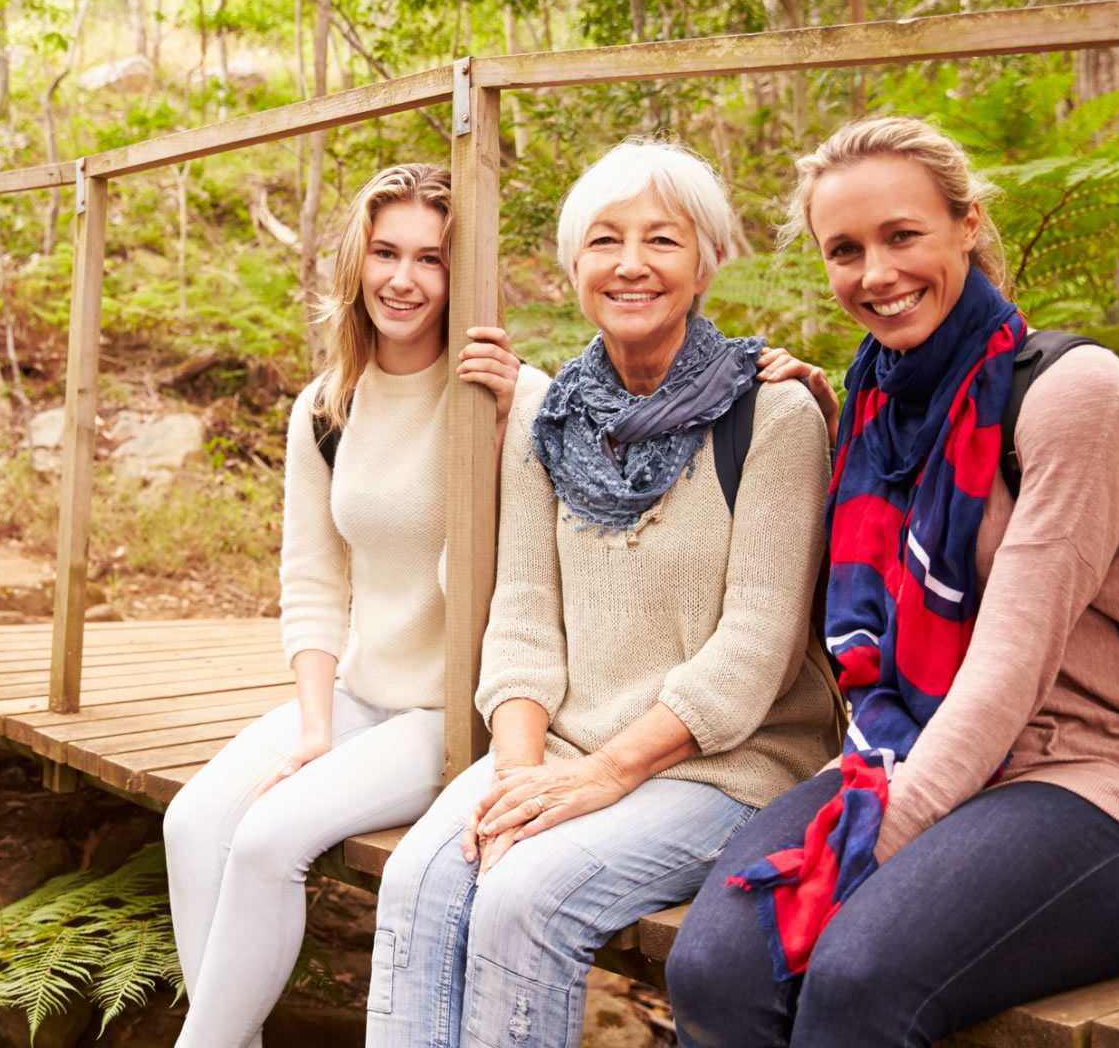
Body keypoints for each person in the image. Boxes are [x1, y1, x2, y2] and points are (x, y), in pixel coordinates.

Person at [665, 116, 1119, 1048]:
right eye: (845, 251)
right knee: (713, 966)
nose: (875, 274)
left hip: (1102, 787)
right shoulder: (882, 405)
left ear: (967, 225)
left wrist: (867, 847)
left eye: (902, 236)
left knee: (856, 979)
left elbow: (1010, 666)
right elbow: (854, 610)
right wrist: (820, 420)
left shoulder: (1078, 396)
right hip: (901, 749)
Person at [365, 139, 840, 1048]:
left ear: (706, 263)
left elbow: (754, 652)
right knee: (421, 879)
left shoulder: (772, 414)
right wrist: (517, 777)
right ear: (574, 264)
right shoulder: (549, 419)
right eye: (604, 241)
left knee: (523, 899)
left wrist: (600, 776)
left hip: (724, 767)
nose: (631, 265)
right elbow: (522, 621)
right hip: (559, 752)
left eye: (662, 241)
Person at [162, 162, 543, 1048]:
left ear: (462, 275)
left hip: (457, 710)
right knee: (194, 823)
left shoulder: (512, 396)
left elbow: (493, 590)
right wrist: (312, 725)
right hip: (364, 690)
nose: (403, 279)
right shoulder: (326, 409)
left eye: (431, 259)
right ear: (356, 262)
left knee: (266, 842)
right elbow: (313, 582)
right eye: (385, 253)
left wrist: (486, 442)